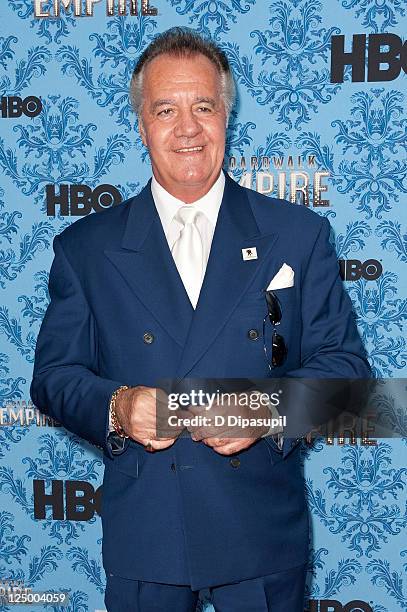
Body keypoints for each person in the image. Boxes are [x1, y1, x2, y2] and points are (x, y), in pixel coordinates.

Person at [30, 27, 372, 612]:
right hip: (148, 535)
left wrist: (266, 411)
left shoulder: (297, 234)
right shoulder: (84, 249)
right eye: (166, 109)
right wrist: (117, 407)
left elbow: (348, 378)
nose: (187, 128)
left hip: (259, 531)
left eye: (203, 107)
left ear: (226, 118)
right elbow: (54, 378)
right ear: (142, 125)